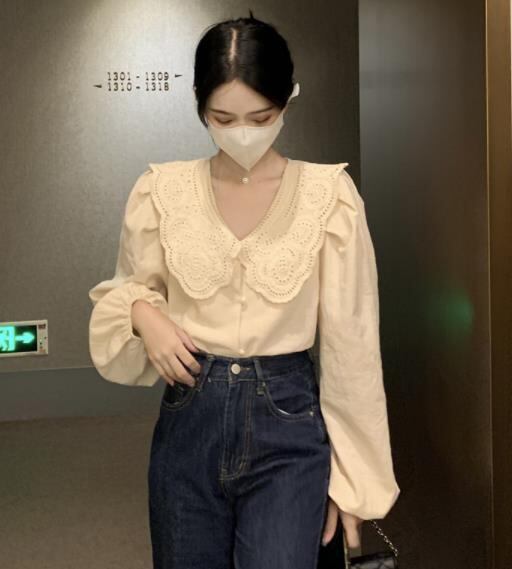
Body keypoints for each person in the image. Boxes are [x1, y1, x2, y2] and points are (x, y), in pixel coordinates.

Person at [87, 11, 400, 569]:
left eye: (261, 117)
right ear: (198, 104)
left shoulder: (329, 198)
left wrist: (354, 482)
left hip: (289, 423)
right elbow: (128, 287)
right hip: (190, 417)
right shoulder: (162, 192)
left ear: (287, 101)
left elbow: (352, 347)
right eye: (223, 117)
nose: (243, 132)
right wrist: (142, 312)